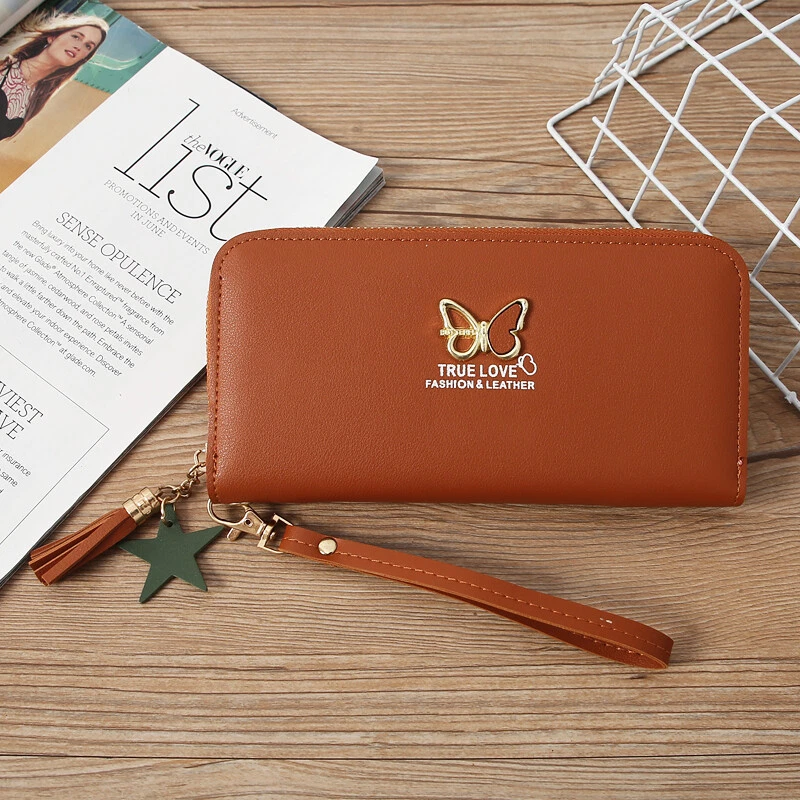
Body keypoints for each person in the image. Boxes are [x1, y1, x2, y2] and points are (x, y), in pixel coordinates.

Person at [0, 12, 109, 140]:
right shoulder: (4, 64)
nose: (79, 46)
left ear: (84, 58)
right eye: (76, 37)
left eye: (88, 46)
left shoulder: (38, 97)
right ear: (52, 37)